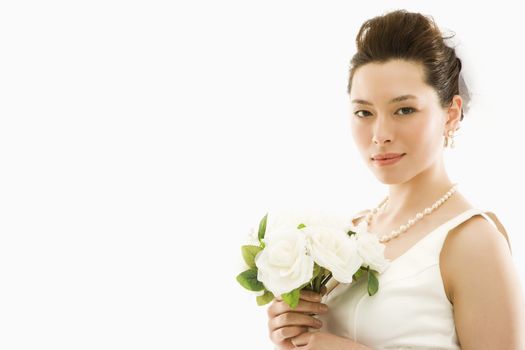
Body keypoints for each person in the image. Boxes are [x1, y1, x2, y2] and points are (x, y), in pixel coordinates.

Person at [266, 9, 525, 350]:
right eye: (364, 112)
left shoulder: (473, 242)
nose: (380, 134)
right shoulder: (349, 232)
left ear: (451, 113)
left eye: (404, 110)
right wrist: (290, 331)